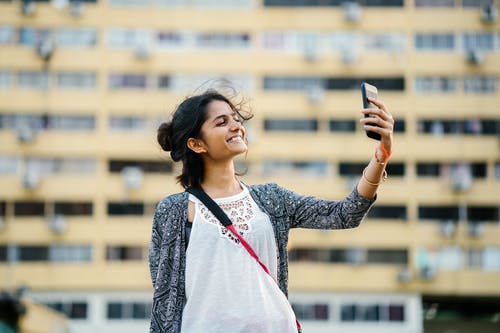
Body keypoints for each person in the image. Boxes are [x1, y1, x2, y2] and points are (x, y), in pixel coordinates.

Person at [149, 87, 394, 333]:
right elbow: (164, 299)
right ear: (196, 144)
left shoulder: (272, 199)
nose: (236, 126)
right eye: (222, 122)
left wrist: (381, 156)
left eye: (236, 119)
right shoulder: (175, 210)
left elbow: (344, 215)